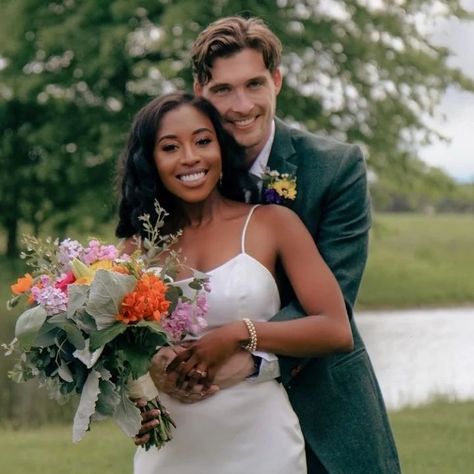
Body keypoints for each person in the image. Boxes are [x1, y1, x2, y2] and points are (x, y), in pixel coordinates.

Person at [144, 16, 401, 474]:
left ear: (276, 81)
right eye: (223, 89)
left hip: (326, 408)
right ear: (200, 90)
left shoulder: (335, 168)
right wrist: (152, 376)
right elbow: (138, 306)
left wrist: (242, 356)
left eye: (254, 84)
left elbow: (333, 302)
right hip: (203, 427)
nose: (241, 105)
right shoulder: (179, 176)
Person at [116, 91, 354, 474]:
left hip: (261, 443)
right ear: (151, 162)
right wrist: (137, 397)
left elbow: (335, 329)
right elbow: (111, 351)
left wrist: (238, 333)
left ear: (222, 149)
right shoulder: (137, 249)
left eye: (203, 141)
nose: (191, 157)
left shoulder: (272, 223)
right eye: (170, 147)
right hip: (172, 447)